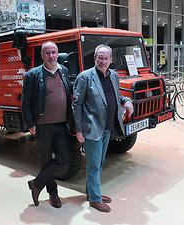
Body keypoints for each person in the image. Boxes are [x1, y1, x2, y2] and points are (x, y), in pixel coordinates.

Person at [72, 44, 133, 213]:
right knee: (94, 165)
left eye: (106, 58)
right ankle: (95, 199)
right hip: (92, 128)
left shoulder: (113, 75)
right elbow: (76, 104)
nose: (103, 61)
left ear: (111, 59)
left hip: (108, 126)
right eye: (100, 57)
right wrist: (78, 129)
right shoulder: (85, 77)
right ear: (95, 58)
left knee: (98, 163)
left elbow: (116, 95)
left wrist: (126, 101)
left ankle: (92, 191)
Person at [22, 41, 74, 208]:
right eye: (47, 53)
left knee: (64, 160)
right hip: (42, 126)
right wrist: (30, 123)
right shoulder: (33, 74)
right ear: (42, 55)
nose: (51, 56)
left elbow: (70, 94)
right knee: (46, 161)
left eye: (53, 52)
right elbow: (26, 102)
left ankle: (36, 184)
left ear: (57, 53)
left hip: (61, 125)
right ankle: (53, 194)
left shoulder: (64, 71)